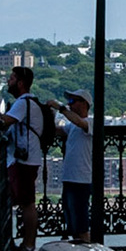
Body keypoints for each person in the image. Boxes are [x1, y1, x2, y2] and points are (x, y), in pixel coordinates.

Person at [0, 66, 43, 251]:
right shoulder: (30, 103)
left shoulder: (23, 103)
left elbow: (1, 123)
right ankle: (26, 244)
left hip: (24, 160)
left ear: (20, 83)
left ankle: (28, 245)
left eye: (12, 78)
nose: (9, 81)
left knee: (27, 203)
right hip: (28, 158)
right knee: (25, 202)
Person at [46, 88, 94, 242]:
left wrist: (60, 108)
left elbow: (79, 122)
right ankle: (82, 250)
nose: (70, 104)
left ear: (84, 104)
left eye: (73, 101)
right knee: (73, 221)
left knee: (81, 223)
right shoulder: (73, 126)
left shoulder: (90, 122)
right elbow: (57, 130)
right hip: (71, 178)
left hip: (81, 179)